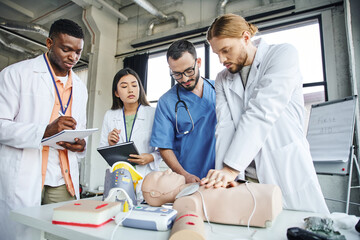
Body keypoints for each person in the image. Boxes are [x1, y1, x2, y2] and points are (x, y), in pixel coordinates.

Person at [200, 13, 329, 214]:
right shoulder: (222, 79)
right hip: (245, 175)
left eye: (226, 50)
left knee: (300, 227)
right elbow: (224, 128)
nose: (221, 59)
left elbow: (262, 111)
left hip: (284, 167)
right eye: (217, 53)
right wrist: (224, 177)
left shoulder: (282, 55)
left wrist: (231, 169)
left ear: (245, 38)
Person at [0, 19, 88, 239]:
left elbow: (81, 127)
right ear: (49, 43)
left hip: (61, 179)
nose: (73, 57)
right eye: (66, 49)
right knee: (23, 235)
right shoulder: (16, 74)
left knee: (63, 234)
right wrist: (44, 131)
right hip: (25, 176)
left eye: (78, 52)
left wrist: (80, 144)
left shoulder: (80, 87)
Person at [150, 39, 216, 183]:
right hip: (190, 179)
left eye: (189, 71)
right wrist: (184, 175)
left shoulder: (220, 90)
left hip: (223, 177)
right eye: (177, 74)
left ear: (198, 62)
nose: (184, 78)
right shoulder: (166, 102)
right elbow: (164, 147)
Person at [99, 68, 162, 200]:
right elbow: (103, 148)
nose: (130, 90)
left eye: (134, 85)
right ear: (116, 93)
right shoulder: (110, 115)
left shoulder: (153, 113)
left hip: (146, 176)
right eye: (124, 86)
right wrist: (110, 144)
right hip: (119, 178)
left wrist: (150, 157)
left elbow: (164, 148)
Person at [142, 169, 283, 228]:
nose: (167, 170)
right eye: (160, 175)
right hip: (259, 203)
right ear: (155, 193)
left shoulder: (189, 187)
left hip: (257, 194)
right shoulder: (183, 202)